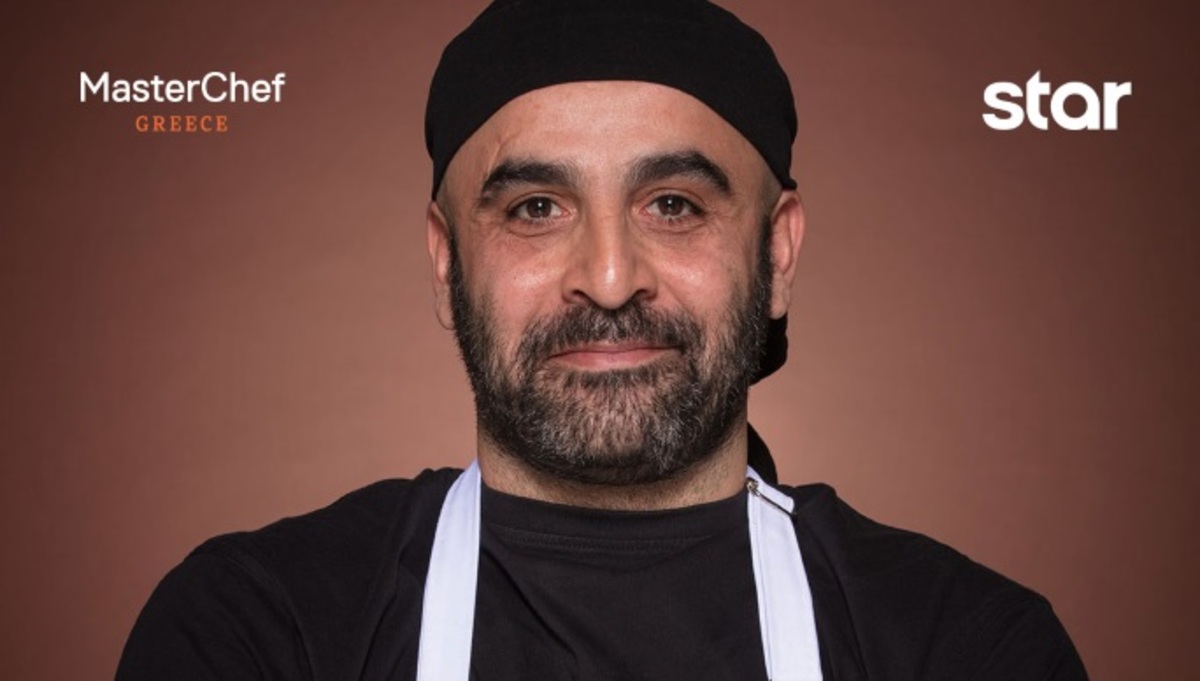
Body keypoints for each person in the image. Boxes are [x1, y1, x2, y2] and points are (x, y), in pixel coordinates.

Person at [117, 1, 1088, 678]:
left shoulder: (965, 647)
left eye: (674, 204)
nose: (611, 278)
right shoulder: (260, 631)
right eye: (536, 208)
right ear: (447, 262)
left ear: (778, 253)